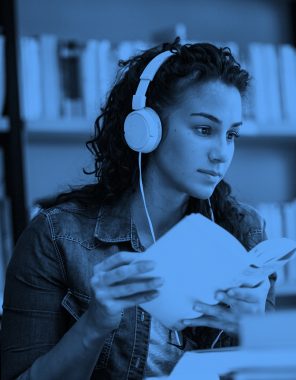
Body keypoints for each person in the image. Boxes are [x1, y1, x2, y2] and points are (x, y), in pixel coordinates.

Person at [0, 38, 276, 380]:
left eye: (231, 135)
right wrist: (96, 321)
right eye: (204, 130)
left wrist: (257, 328)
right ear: (146, 129)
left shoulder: (245, 231)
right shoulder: (57, 237)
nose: (221, 153)